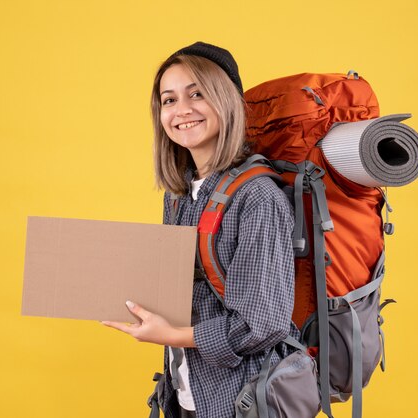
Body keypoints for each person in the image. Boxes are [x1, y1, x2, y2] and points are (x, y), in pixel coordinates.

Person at [102, 42, 298, 418]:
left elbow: (262, 324)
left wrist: (169, 335)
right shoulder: (179, 194)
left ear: (226, 101)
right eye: (169, 100)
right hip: (186, 394)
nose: (182, 111)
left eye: (197, 94)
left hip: (243, 401)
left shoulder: (258, 197)